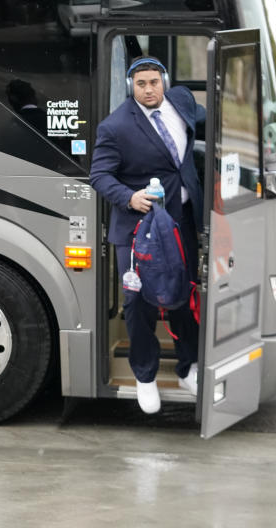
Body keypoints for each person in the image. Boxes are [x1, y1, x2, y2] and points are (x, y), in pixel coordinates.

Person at [89, 57, 203, 414]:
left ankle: (189, 367)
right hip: (140, 230)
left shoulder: (182, 102)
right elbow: (99, 176)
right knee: (140, 305)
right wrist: (130, 197)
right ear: (131, 87)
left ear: (164, 82)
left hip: (182, 221)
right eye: (141, 84)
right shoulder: (116, 127)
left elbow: (204, 126)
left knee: (186, 295)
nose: (149, 89)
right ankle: (145, 376)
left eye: (154, 82)